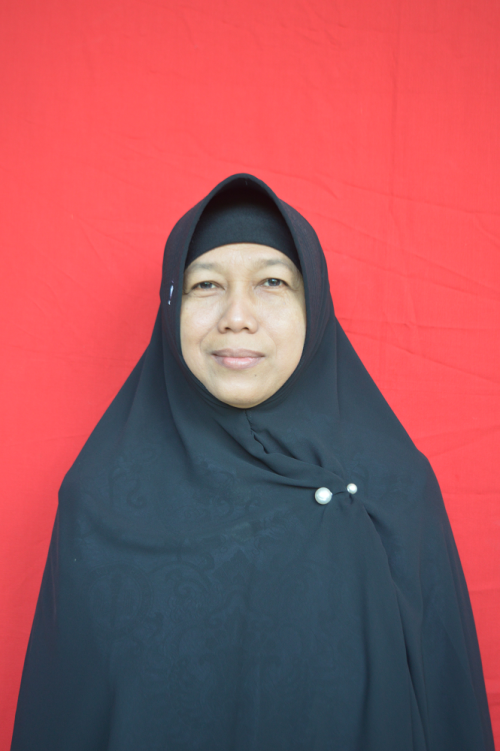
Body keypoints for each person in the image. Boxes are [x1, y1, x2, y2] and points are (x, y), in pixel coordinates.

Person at [12, 174, 494, 751]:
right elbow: (62, 721)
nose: (236, 316)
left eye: (272, 282)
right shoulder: (100, 502)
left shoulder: (393, 492)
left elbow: (450, 714)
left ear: (314, 305)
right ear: (172, 304)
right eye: (205, 285)